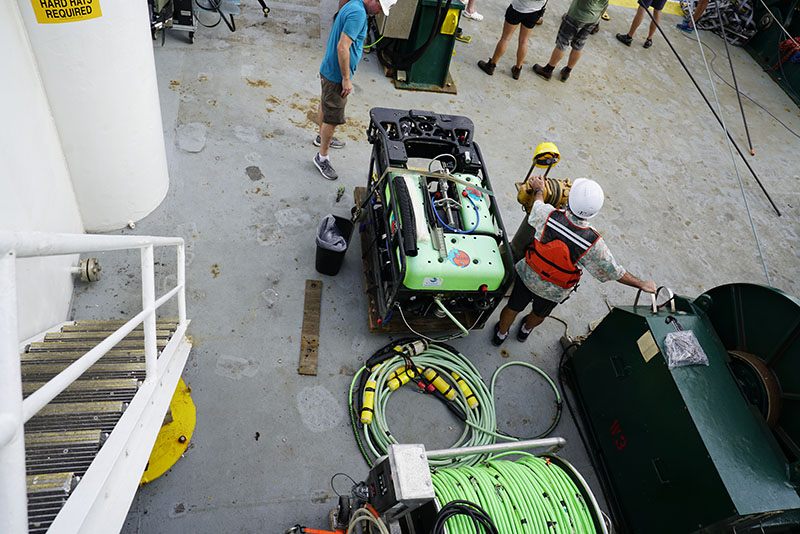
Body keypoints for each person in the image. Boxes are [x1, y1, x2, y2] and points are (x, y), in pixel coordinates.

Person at [491, 176, 657, 346]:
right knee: (540, 314)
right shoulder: (593, 243)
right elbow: (614, 271)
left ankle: (501, 334)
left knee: (513, 307)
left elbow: (537, 205)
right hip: (554, 290)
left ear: (570, 199)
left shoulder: (548, 215)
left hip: (528, 276)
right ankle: (525, 331)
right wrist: (641, 284)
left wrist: (539, 189)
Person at [313, 0, 394, 181]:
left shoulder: (353, 4)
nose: (380, 12)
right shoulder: (358, 14)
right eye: (380, 7)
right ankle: (322, 157)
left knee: (325, 105)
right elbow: (343, 47)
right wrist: (346, 79)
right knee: (332, 118)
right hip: (336, 76)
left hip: (329, 69)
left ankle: (322, 137)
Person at [531, 0, 608, 82]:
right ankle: (567, 72)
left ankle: (548, 70)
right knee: (579, 45)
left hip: (577, 15)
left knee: (562, 43)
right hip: (594, 18)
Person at [477, 0, 548, 79]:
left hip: (518, 8)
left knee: (505, 38)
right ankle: (517, 69)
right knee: (523, 41)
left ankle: (491, 66)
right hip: (535, 11)